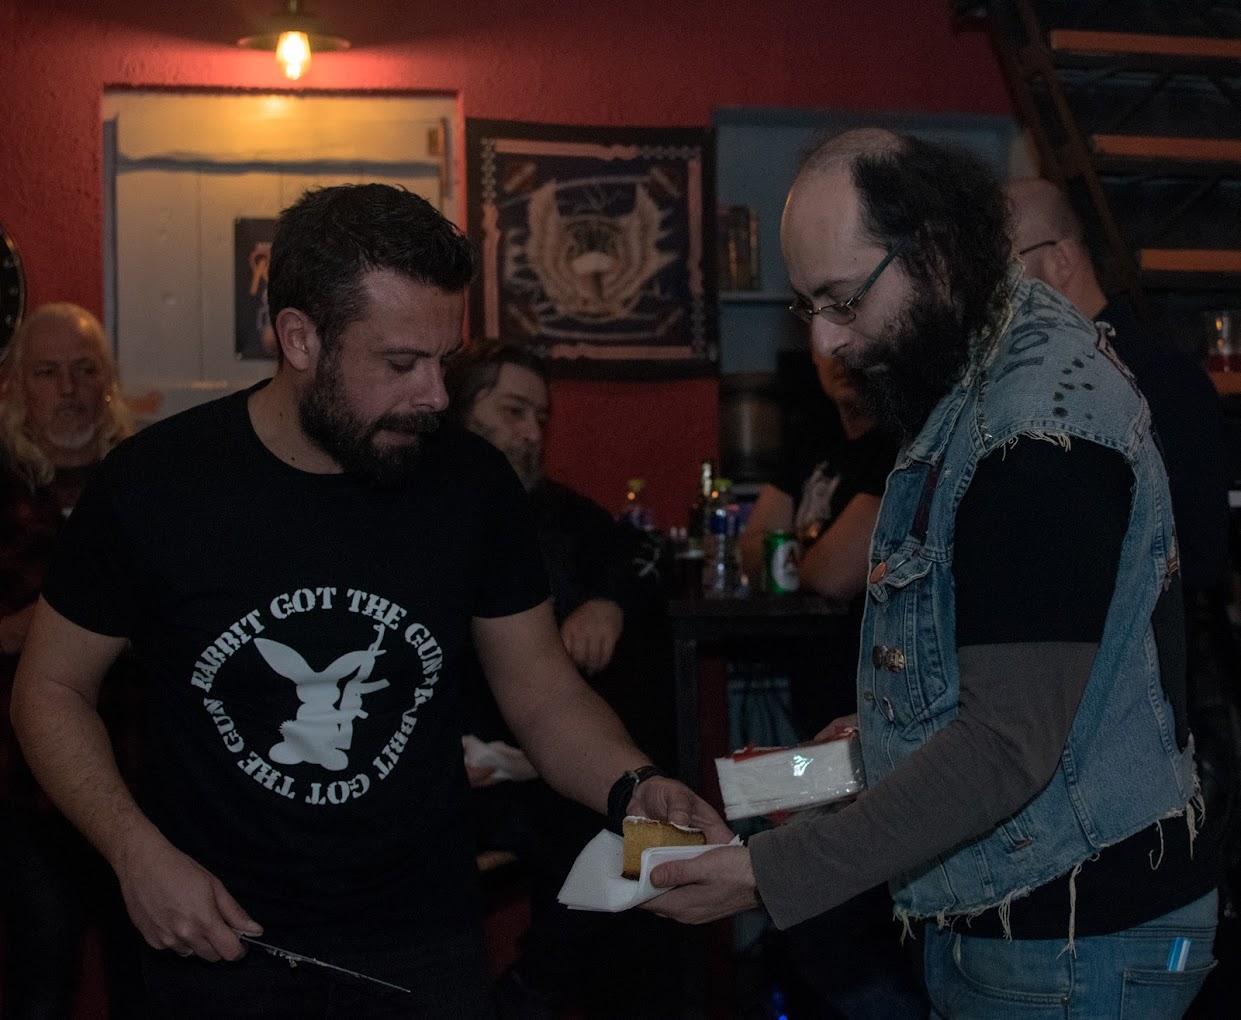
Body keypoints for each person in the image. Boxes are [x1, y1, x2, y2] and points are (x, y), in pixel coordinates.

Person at [9, 184, 730, 1017]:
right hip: (216, 935)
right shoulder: (154, 485)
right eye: (399, 364)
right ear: (300, 338)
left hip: (423, 937)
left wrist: (632, 784)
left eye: (442, 362)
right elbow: (50, 688)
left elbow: (541, 691)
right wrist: (133, 850)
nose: (434, 395)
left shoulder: (469, 483)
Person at [645, 129, 1218, 1017]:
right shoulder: (972, 375)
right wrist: (800, 772)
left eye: (843, 300)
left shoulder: (1033, 431)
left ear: (939, 255)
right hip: (1022, 920)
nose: (827, 340)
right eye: (809, 308)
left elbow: (1003, 747)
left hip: (1072, 941)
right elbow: (973, 691)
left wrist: (765, 873)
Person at [444, 339, 678, 1015]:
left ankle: (540, 993)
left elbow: (644, 552)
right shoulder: (411, 510)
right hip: (440, 769)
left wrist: (608, 603)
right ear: (457, 410)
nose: (530, 433)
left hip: (538, 760)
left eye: (539, 418)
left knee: (647, 829)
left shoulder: (550, 510)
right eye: (513, 411)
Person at [0, 303, 142, 1017]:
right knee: (40, 984)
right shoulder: (2, 484)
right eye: (49, 372)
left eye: (85, 370)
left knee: (151, 982)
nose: (69, 389)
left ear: (108, 379)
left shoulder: (145, 480)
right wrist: (50, 627)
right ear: (17, 384)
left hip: (143, 777)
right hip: (24, 788)